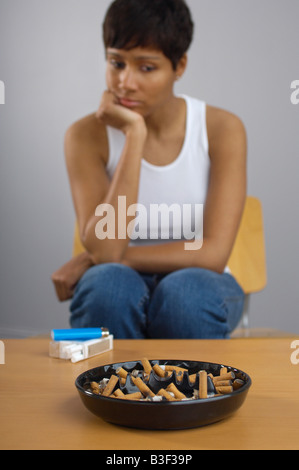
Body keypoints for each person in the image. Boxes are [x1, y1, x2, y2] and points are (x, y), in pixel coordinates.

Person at [51, 0, 247, 339]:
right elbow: (106, 246)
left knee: (184, 297)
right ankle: (115, 392)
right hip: (118, 279)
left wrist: (94, 259)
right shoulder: (84, 136)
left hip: (200, 279)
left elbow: (211, 252)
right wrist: (134, 134)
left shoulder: (222, 129)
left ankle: (186, 392)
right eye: (116, 63)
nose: (125, 83)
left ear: (179, 66)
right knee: (106, 289)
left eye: (146, 68)